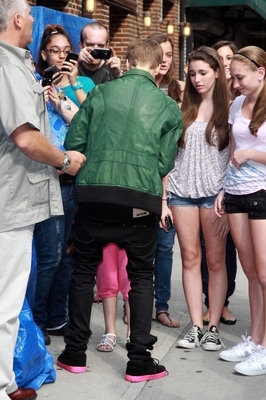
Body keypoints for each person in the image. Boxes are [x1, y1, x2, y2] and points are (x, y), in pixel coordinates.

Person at [56, 37, 183, 382]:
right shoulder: (168, 106)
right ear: (160, 66)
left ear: (126, 63)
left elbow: (73, 144)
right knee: (142, 276)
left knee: (83, 271)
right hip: (138, 200)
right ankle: (139, 360)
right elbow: (164, 161)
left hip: (95, 193)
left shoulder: (100, 94)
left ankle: (74, 353)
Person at [0, 1, 86, 399]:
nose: (33, 21)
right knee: (6, 304)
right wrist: (66, 160)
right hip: (10, 203)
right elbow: (27, 137)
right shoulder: (7, 64)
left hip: (15, 199)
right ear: (17, 19)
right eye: (30, 15)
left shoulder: (15, 63)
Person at [32, 24, 95, 345]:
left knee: (68, 255)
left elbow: (92, 125)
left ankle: (58, 317)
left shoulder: (83, 83)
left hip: (74, 180)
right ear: (43, 54)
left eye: (65, 51)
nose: (59, 56)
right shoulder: (32, 85)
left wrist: (69, 88)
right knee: (49, 256)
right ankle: (38, 322)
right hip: (44, 179)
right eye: (53, 51)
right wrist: (39, 99)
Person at [166, 46, 230, 351]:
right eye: (192, 74)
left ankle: (213, 326)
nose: (196, 79)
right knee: (190, 258)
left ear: (217, 72)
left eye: (203, 73)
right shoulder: (181, 106)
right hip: (181, 192)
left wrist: (226, 191)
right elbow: (168, 154)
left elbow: (233, 158)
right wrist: (165, 195)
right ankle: (194, 325)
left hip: (214, 195)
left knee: (216, 262)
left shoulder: (230, 108)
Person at [216, 46, 266, 376]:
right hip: (234, 192)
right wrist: (223, 186)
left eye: (240, 77)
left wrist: (251, 155)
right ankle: (255, 341)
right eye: (233, 78)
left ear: (261, 73)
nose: (235, 84)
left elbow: (245, 150)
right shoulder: (237, 103)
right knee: (251, 273)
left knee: (264, 274)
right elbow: (233, 146)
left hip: (262, 191)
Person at [147, 32, 184, 328]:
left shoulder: (178, 92)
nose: (163, 59)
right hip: (141, 181)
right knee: (139, 248)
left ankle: (161, 306)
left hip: (169, 185)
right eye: (158, 53)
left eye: (169, 54)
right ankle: (135, 305)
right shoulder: (139, 88)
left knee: (165, 247)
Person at [201, 41, 239, 326]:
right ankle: (210, 302)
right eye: (221, 58)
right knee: (208, 250)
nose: (225, 62)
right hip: (206, 183)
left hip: (235, 183)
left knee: (229, 250)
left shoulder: (240, 97)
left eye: (230, 57)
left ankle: (223, 302)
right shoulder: (205, 94)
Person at [96, 244, 130, 351]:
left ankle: (133, 331)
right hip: (105, 230)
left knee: (131, 280)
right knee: (107, 276)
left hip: (132, 231)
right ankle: (110, 332)